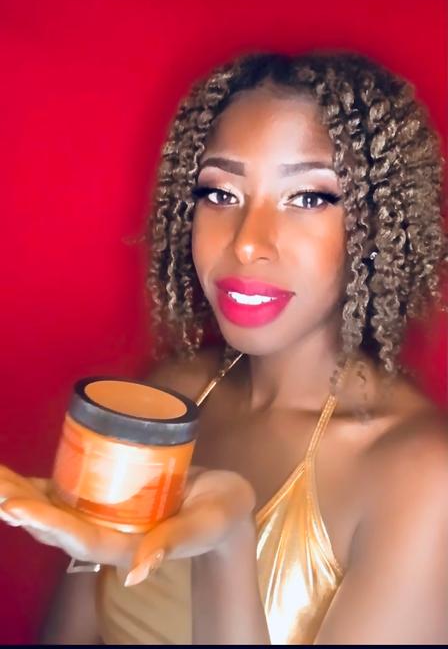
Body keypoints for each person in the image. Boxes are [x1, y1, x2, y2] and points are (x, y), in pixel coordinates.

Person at [1, 51, 447, 645]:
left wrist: (227, 545)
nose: (246, 243)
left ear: (378, 228)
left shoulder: (422, 477)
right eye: (221, 193)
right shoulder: (170, 397)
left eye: (309, 198)